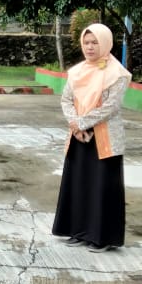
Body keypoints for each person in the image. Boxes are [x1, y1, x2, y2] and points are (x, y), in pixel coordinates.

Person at [51, 23, 132, 253]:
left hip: (104, 139)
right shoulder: (77, 72)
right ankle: (77, 231)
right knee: (78, 185)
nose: (89, 47)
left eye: (95, 42)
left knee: (101, 188)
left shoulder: (117, 73)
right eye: (86, 42)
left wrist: (81, 123)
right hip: (79, 137)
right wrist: (75, 124)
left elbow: (111, 107)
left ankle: (102, 238)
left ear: (105, 43)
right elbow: (66, 100)